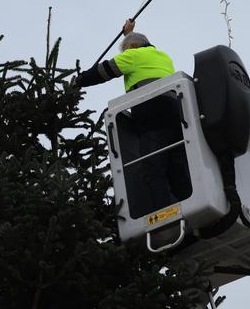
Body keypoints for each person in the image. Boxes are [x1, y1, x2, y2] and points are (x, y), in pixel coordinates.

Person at [75, 20, 192, 212]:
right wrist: (129, 34)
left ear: (133, 47)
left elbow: (103, 71)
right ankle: (192, 208)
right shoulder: (162, 56)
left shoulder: (133, 55)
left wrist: (80, 81)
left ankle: (163, 219)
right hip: (175, 117)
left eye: (126, 50)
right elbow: (140, 46)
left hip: (151, 116)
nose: (124, 54)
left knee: (153, 169)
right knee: (176, 171)